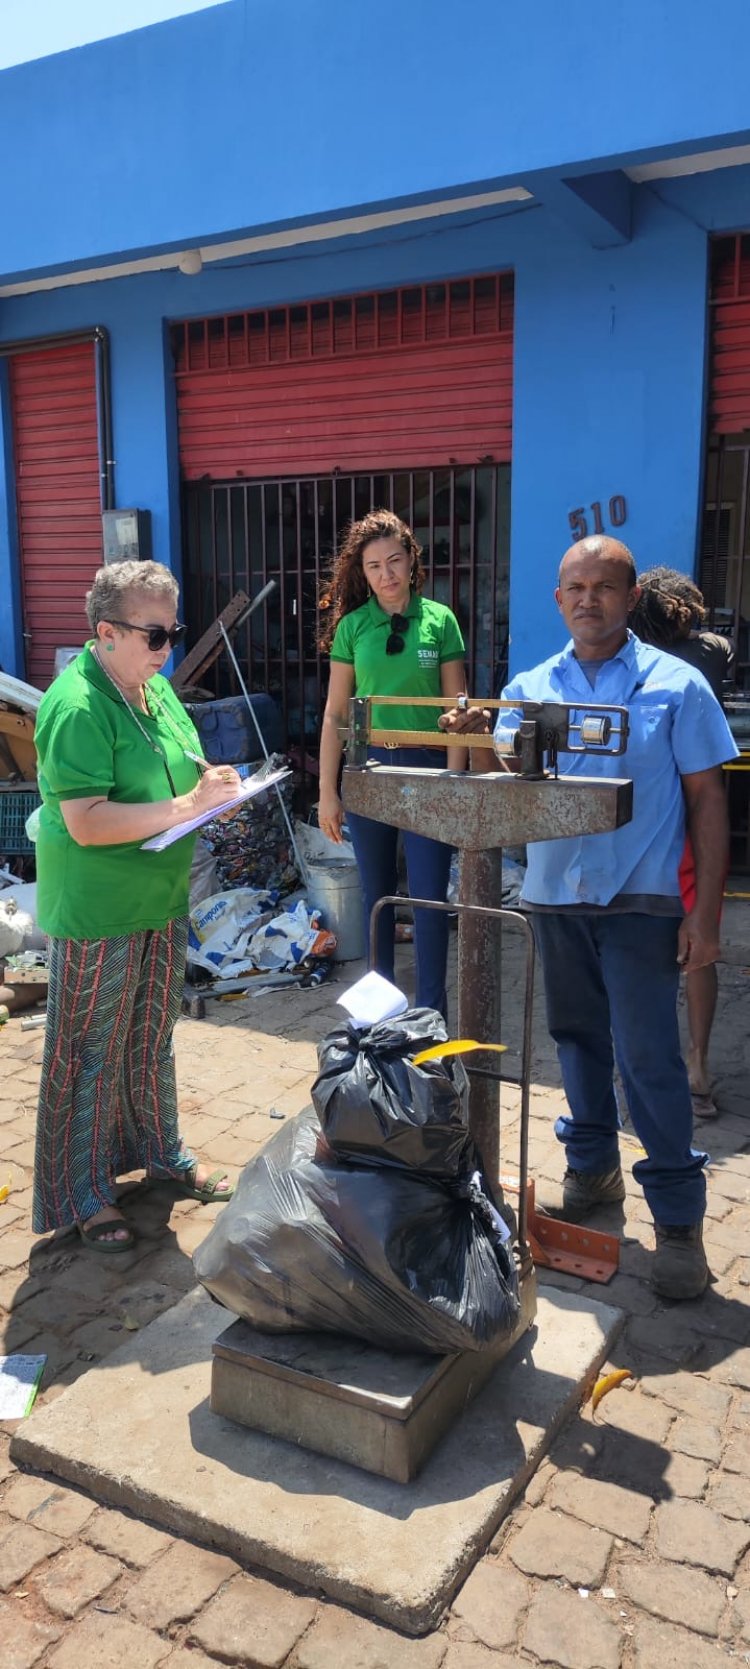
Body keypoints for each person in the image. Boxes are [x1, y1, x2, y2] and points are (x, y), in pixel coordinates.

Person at [440, 536, 737, 1299]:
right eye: (575, 585)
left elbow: (709, 799)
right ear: (558, 597)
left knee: (648, 1058)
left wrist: (704, 917)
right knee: (575, 1041)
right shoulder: (530, 687)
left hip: (643, 900)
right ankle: (593, 1168)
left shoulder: (678, 686)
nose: (588, 599)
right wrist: (476, 731)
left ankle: (677, 1220)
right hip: (555, 895)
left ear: (630, 596)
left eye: (604, 586)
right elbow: (510, 774)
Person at [32, 560, 242, 1254]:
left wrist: (214, 782)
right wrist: (186, 804)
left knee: (151, 1039)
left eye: (172, 631)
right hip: (99, 907)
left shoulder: (150, 688)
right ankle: (84, 1194)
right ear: (106, 632)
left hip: (159, 896)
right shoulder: (78, 704)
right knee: (88, 1050)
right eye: (155, 634)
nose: (167, 648)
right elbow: (88, 820)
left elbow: (183, 765)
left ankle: (163, 1153)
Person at [318, 510, 466, 1015]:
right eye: (374, 565)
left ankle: (431, 1016)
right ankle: (377, 1015)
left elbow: (457, 710)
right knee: (376, 897)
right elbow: (336, 712)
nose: (386, 574)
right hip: (369, 769)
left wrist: (454, 777)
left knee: (429, 900)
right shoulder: (354, 628)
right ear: (363, 572)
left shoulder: (440, 620)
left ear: (411, 561)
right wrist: (328, 791)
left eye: (394, 561)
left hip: (428, 768)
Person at [629, 565, 735, 1119]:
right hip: (700, 812)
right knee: (699, 946)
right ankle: (697, 1065)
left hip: (653, 812)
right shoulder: (715, 649)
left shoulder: (640, 659)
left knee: (645, 941)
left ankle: (648, 1064)